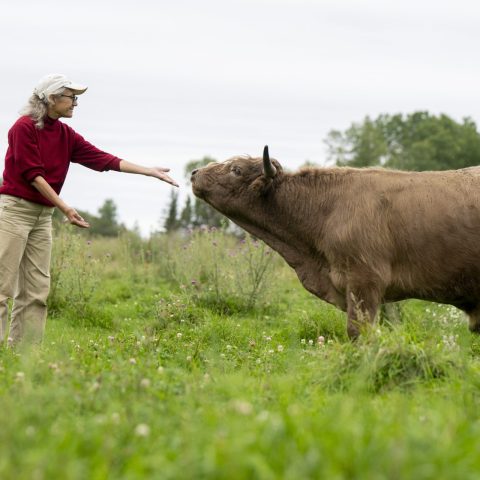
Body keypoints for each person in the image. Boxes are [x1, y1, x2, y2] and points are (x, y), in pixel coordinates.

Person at [0, 73, 179, 345]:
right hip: (14, 212)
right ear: (52, 98)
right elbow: (33, 175)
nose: (75, 104)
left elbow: (101, 159)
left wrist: (148, 171)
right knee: (2, 287)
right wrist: (65, 208)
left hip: (42, 216)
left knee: (36, 291)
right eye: (72, 98)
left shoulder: (64, 134)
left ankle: (24, 356)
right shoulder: (23, 128)